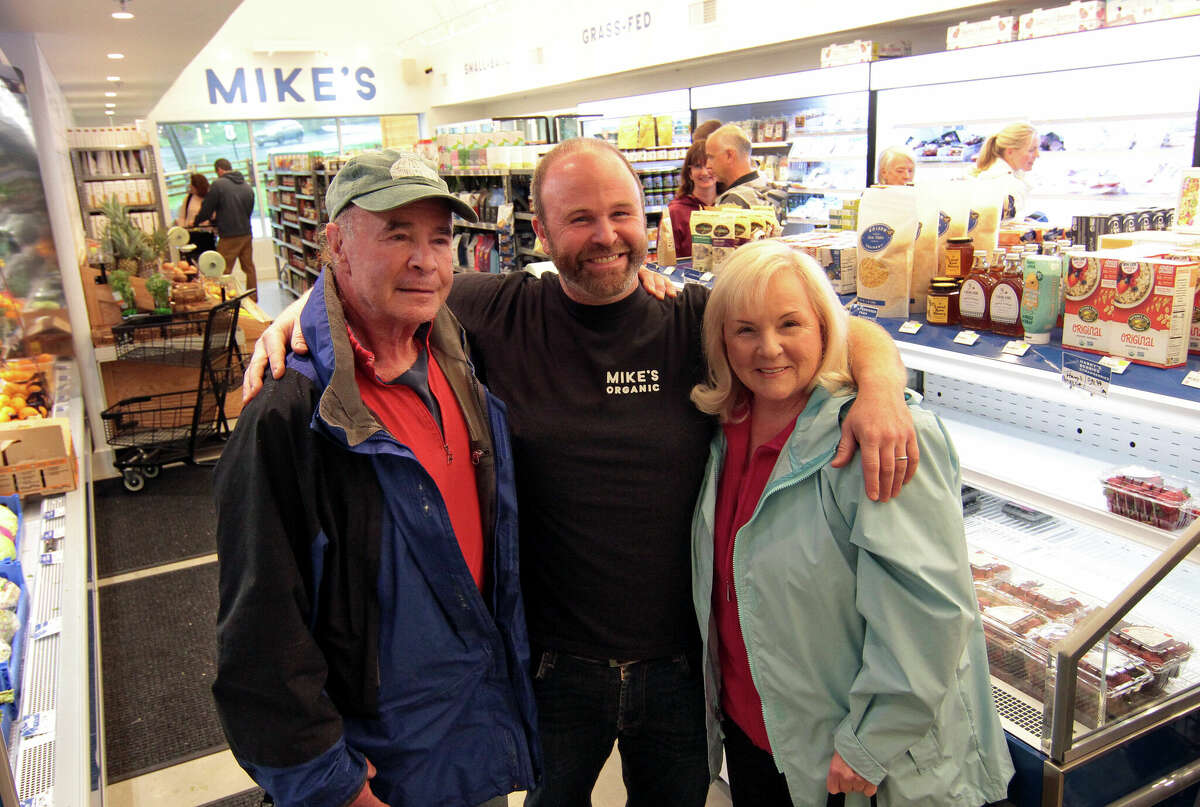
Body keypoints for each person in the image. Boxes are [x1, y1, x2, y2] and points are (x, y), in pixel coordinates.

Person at [243, 138, 919, 807]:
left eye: (622, 214)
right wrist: (301, 312)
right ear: (540, 232)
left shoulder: (693, 320)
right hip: (551, 668)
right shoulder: (499, 311)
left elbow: (823, 321)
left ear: (648, 223)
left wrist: (883, 379)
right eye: (580, 219)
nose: (607, 236)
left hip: (681, 667)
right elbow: (386, 286)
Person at [212, 150, 541, 807]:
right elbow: (261, 639)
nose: (425, 259)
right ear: (337, 243)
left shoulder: (458, 357)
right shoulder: (289, 413)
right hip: (375, 770)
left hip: (469, 741)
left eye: (440, 238)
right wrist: (334, 787)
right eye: (397, 235)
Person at [689, 239, 1014, 807]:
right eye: (745, 330)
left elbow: (930, 612)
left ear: (823, 326)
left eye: (790, 323)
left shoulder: (877, 436)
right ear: (720, 339)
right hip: (756, 739)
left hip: (860, 762)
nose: (769, 349)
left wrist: (869, 744)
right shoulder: (721, 429)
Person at [195, 157, 257, 297]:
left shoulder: (218, 185)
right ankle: (253, 297)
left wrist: (197, 221)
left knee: (221, 268)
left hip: (229, 234)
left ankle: (222, 297)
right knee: (249, 267)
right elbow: (249, 209)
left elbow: (207, 207)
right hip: (246, 232)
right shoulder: (246, 185)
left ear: (219, 170)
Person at [706, 123, 787, 220]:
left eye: (711, 157)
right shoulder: (769, 189)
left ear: (729, 155)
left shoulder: (733, 202)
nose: (708, 165)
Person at [971, 123, 1039, 221]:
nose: (1037, 155)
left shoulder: (1006, 177)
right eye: (1031, 150)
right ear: (1010, 152)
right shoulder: (1005, 184)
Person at [669, 140, 718, 258]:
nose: (704, 172)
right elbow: (667, 260)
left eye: (709, 166)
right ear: (689, 173)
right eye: (697, 166)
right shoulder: (675, 212)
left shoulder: (729, 205)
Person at [174, 172, 216, 255]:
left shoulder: (210, 199)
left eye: (192, 185)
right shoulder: (188, 198)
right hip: (190, 235)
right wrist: (182, 230)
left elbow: (214, 216)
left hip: (206, 236)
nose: (190, 187)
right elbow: (182, 216)